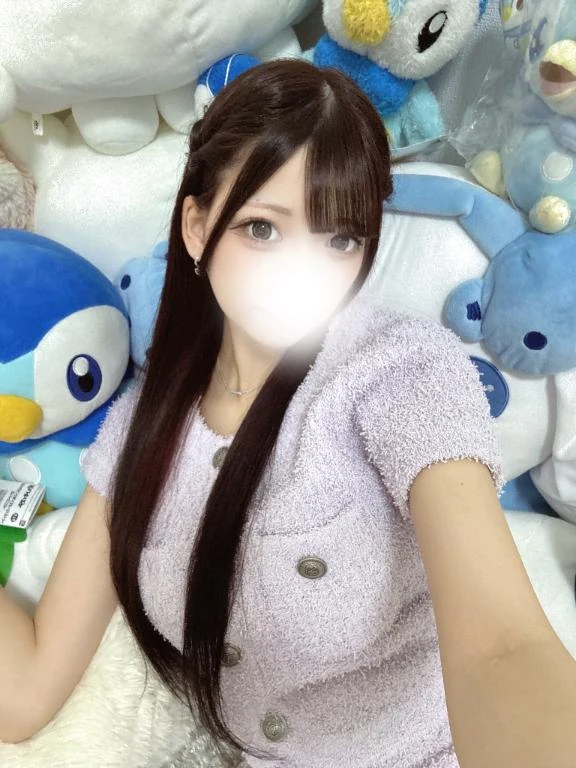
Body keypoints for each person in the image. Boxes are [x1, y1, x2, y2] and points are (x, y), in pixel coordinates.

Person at [1, 58, 575, 768]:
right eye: (263, 229)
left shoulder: (401, 374)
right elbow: (26, 692)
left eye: (341, 239)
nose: (303, 271)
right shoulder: (139, 433)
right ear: (196, 226)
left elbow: (503, 649)